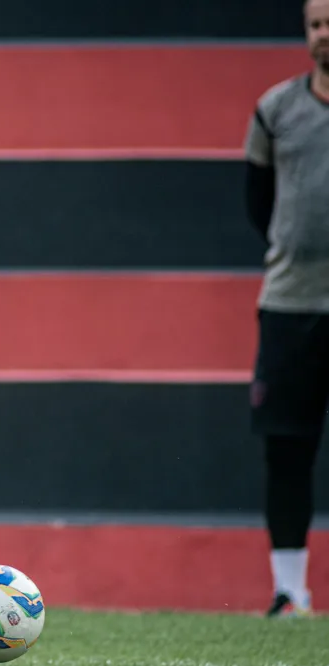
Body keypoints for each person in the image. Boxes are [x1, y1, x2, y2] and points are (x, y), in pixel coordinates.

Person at [244, 0, 329, 619]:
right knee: (287, 449)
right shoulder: (276, 110)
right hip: (291, 305)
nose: (324, 35)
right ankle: (291, 592)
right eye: (316, 24)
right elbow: (260, 203)